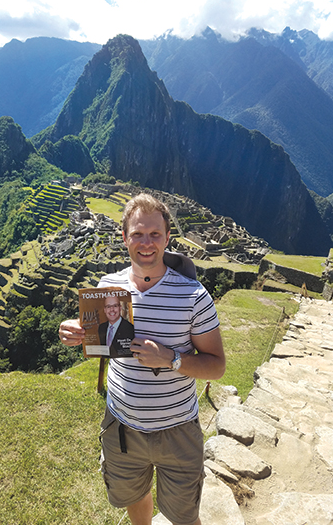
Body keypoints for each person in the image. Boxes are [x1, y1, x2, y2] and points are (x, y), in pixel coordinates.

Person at [59, 193, 225, 525]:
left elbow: (216, 366)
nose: (146, 243)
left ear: (166, 238)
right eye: (137, 234)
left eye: (154, 234)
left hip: (177, 429)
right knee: (135, 497)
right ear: (124, 238)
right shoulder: (108, 288)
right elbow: (100, 347)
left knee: (184, 514)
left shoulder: (193, 296)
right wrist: (76, 334)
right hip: (122, 427)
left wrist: (170, 358)